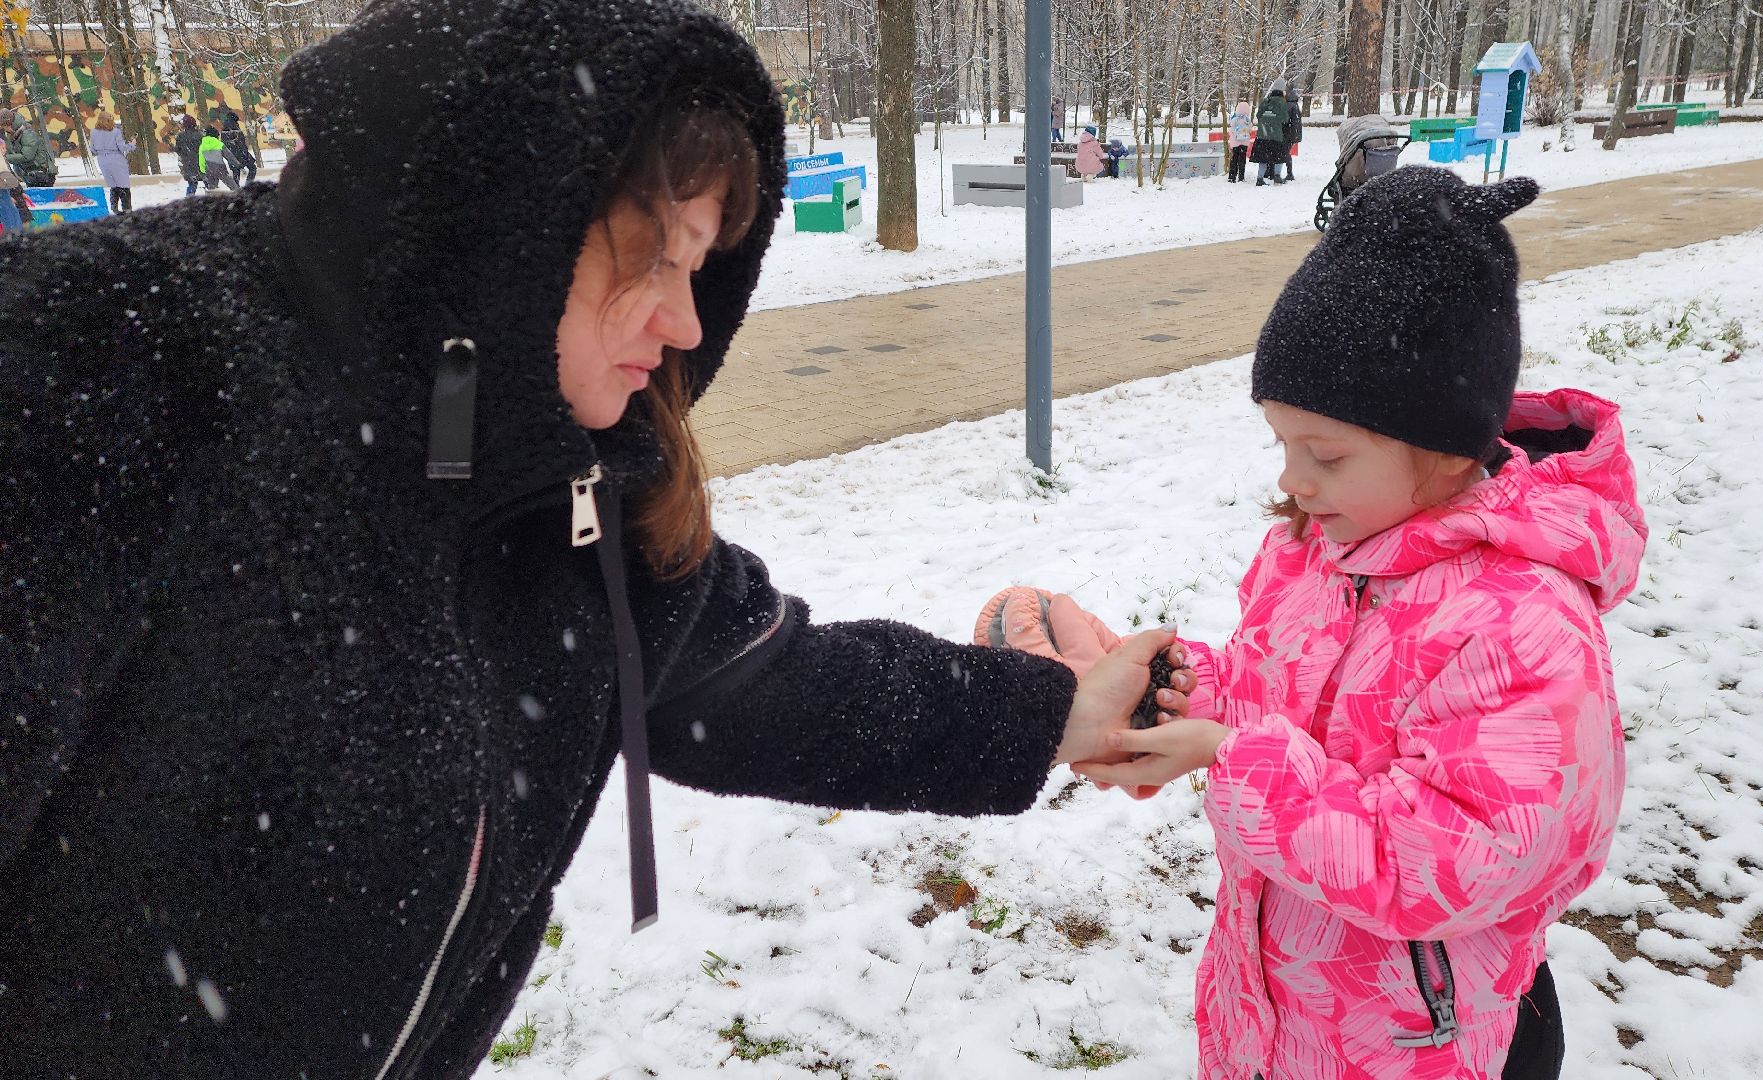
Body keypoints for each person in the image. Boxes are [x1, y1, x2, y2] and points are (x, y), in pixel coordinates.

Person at [0, 0, 1192, 1075]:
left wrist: (1050, 713)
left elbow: (750, 680)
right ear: (502, 227)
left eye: (702, 266)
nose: (681, 321)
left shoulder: (569, 469)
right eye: (652, 255)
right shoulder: (91, 366)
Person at [1041, 170, 1647, 1079]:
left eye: (1323, 453)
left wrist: (1226, 757)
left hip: (1425, 1041)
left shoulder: (1522, 623)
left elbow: (1444, 865)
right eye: (1280, 444)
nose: (1292, 479)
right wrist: (1178, 689)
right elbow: (1281, 696)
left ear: (1444, 447)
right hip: (1279, 1006)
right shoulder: (1316, 554)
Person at [1250, 80, 1292, 186]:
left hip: (1262, 135)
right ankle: (1277, 176)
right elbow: (1285, 119)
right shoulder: (1282, 102)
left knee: (1263, 158)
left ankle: (1259, 178)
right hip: (1276, 135)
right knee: (1279, 157)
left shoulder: (1265, 100)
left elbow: (1258, 115)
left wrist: (1266, 122)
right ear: (1282, 90)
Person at [90, 112, 134, 213]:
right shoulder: (115, 132)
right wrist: (132, 144)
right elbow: (122, 147)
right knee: (123, 185)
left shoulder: (93, 132)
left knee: (113, 185)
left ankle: (114, 207)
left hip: (102, 160)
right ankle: (127, 209)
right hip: (116, 159)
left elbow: (93, 149)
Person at [3, 107, 56, 187]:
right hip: (32, 174)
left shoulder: (27, 133)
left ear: (9, 124)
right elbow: (12, 152)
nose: (4, 130)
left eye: (4, 127)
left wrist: (5, 158)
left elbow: (27, 156)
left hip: (40, 175)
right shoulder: (15, 135)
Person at [198, 115, 240, 191]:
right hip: (221, 169)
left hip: (209, 170)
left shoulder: (202, 146)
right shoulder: (219, 144)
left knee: (212, 189)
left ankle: (211, 199)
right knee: (233, 186)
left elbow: (201, 160)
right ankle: (238, 195)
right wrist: (237, 163)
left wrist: (203, 170)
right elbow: (229, 156)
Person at [221, 108, 260, 184]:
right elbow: (240, 143)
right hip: (241, 154)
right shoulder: (235, 128)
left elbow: (225, 144)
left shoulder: (223, 130)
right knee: (252, 168)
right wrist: (245, 154)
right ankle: (248, 184)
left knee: (236, 173)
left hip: (231, 155)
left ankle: (237, 189)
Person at [173, 113, 205, 193]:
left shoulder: (180, 136)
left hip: (188, 163)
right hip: (201, 162)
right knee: (207, 182)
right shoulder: (200, 135)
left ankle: (189, 198)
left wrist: (184, 155)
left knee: (192, 183)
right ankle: (210, 198)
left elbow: (178, 150)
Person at [1225, 99, 1253, 183]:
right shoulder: (1247, 120)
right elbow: (1250, 129)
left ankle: (1232, 176)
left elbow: (1231, 130)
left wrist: (1235, 134)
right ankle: (1241, 176)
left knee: (1234, 159)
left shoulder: (1235, 119)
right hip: (1244, 142)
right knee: (1242, 159)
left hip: (1235, 143)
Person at [1282, 85, 1304, 181]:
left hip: (1288, 133)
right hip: (1293, 133)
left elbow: (1285, 121)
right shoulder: (1295, 105)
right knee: (1286, 152)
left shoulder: (1288, 106)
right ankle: (1289, 173)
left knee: (1285, 153)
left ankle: (1289, 173)